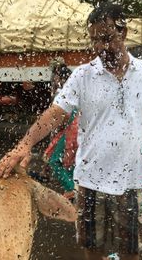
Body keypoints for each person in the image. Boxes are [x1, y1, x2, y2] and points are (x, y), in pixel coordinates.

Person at [0, 3, 142, 260]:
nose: (101, 47)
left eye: (107, 38)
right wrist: (25, 144)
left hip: (134, 182)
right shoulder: (83, 76)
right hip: (90, 183)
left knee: (131, 252)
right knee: (92, 250)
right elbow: (56, 112)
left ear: (123, 32)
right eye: (95, 41)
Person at [42, 60, 77, 200]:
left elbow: (61, 117)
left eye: (55, 76)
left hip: (71, 129)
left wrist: (54, 131)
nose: (53, 79)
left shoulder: (61, 93)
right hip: (79, 128)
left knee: (53, 159)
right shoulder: (75, 89)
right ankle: (76, 187)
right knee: (73, 160)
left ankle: (71, 188)